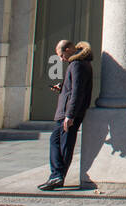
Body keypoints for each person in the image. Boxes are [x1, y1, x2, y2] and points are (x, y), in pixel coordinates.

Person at [39, 39, 93, 190]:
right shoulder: (78, 63)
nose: (61, 59)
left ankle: (57, 176)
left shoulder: (77, 64)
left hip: (69, 113)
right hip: (68, 111)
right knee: (57, 141)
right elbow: (73, 87)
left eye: (62, 55)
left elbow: (78, 91)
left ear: (69, 49)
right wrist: (62, 87)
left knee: (64, 144)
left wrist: (70, 115)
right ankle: (56, 175)